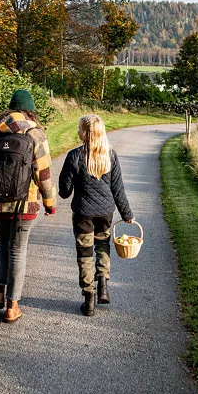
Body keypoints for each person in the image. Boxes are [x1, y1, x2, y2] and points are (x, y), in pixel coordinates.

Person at [0, 89, 56, 323]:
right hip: (23, 206)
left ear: (10, 108)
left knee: (3, 243)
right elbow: (44, 174)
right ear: (30, 109)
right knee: (18, 250)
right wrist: (49, 202)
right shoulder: (36, 133)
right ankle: (12, 305)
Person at [58, 114, 135, 317]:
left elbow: (65, 190)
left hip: (83, 213)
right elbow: (118, 189)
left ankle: (89, 297)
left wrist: (67, 187)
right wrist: (127, 214)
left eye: (79, 128)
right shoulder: (110, 156)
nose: (77, 131)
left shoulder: (75, 156)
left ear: (84, 133)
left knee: (85, 253)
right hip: (105, 212)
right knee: (103, 245)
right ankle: (103, 284)